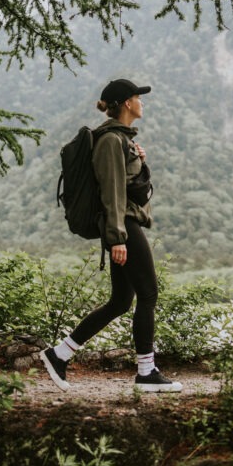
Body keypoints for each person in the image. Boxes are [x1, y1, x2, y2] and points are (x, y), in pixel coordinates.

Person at [40, 78, 183, 393]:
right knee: (148, 294)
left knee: (121, 301)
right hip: (123, 225)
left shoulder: (121, 140)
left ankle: (59, 354)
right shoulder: (109, 141)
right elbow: (112, 192)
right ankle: (146, 372)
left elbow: (131, 186)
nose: (142, 102)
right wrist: (117, 237)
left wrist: (140, 161)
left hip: (123, 223)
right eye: (137, 97)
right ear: (127, 103)